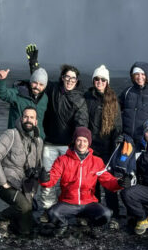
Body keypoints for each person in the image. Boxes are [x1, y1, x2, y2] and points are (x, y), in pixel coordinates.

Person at [39, 126, 121, 230]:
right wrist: (45, 179)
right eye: (79, 140)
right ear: (74, 141)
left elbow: (108, 181)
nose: (82, 144)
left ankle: (92, 226)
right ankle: (64, 225)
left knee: (106, 214)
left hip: (88, 203)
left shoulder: (97, 161)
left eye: (85, 141)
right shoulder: (62, 160)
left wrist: (119, 183)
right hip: (67, 203)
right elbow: (52, 178)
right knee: (52, 213)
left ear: (89, 143)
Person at [0, 106, 44, 237]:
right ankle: (1, 218)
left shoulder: (38, 142)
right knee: (25, 207)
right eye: (26, 117)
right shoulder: (11, 134)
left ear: (36, 122)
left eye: (32, 118)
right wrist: (3, 182)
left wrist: (33, 192)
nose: (28, 120)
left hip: (24, 187)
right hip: (7, 184)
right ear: (21, 119)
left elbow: (37, 170)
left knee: (26, 231)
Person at [38, 64, 89, 210]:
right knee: (47, 179)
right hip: (49, 144)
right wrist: (34, 64)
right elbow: (39, 81)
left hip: (68, 147)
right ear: (62, 77)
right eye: (68, 77)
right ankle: (47, 210)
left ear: (77, 80)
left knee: (68, 181)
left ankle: (65, 209)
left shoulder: (79, 98)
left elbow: (82, 122)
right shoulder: (52, 89)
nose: (70, 80)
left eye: (73, 78)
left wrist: (79, 143)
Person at [84, 65, 122, 218]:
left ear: (107, 82)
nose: (99, 82)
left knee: (108, 183)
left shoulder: (113, 101)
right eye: (97, 79)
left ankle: (114, 213)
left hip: (107, 149)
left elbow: (117, 126)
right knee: (92, 184)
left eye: (103, 80)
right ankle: (96, 211)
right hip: (91, 149)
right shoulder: (87, 98)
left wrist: (116, 145)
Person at [118, 62, 148, 147]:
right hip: (126, 140)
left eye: (143, 74)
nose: (140, 77)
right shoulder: (127, 92)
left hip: (146, 140)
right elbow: (116, 110)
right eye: (136, 74)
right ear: (133, 76)